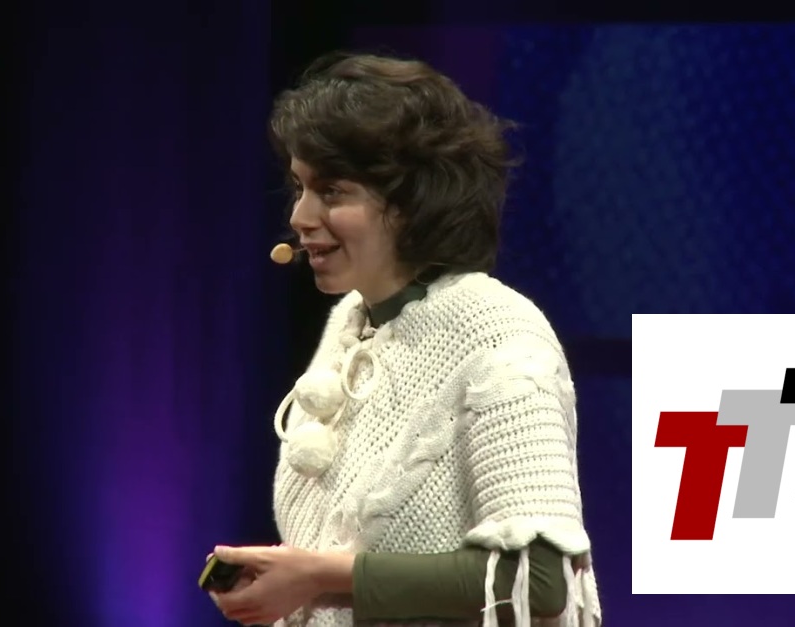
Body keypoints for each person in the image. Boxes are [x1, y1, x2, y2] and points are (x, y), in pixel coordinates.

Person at [209, 51, 602, 627]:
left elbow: (539, 580)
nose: (300, 215)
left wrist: (320, 578)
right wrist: (291, 580)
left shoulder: (500, 334)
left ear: (416, 203)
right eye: (299, 187)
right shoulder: (351, 321)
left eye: (332, 191)